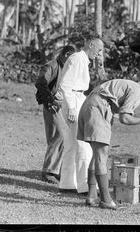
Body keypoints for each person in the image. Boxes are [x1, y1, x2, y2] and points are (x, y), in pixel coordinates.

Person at [77, 77, 140, 209]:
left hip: (89, 105)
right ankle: (105, 200)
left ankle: (92, 196)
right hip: (99, 108)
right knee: (101, 155)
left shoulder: (128, 84)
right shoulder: (136, 91)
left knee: (96, 154)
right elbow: (124, 118)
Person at [55, 36, 105, 194]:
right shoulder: (77, 58)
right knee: (84, 144)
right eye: (99, 50)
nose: (99, 53)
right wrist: (70, 107)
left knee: (71, 144)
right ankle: (85, 186)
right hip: (73, 101)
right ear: (91, 45)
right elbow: (65, 85)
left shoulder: (82, 60)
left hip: (78, 99)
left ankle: (67, 183)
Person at [35, 45, 76, 184]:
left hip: (63, 105)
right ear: (67, 54)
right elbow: (41, 83)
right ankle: (48, 171)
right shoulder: (51, 66)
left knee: (60, 136)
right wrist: (50, 100)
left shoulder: (66, 67)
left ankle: (55, 170)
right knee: (60, 134)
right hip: (52, 105)